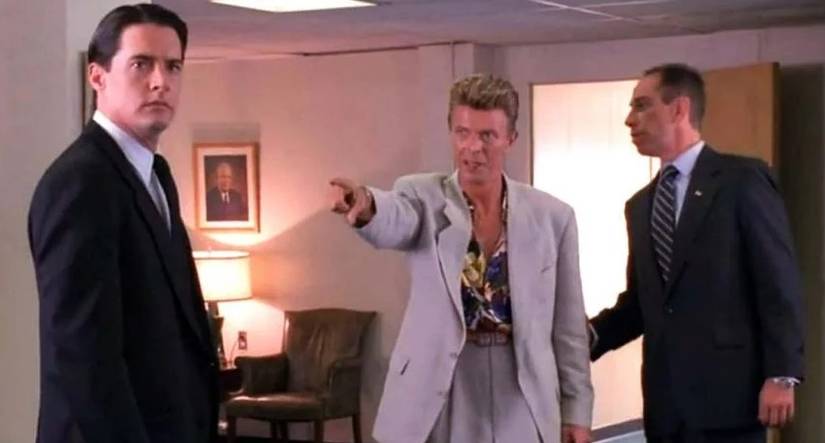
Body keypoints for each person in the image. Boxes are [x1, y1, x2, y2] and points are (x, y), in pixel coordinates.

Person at [329, 74, 593, 443]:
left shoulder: (553, 217)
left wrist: (576, 413)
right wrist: (367, 205)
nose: (473, 148)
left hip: (521, 385)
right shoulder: (422, 195)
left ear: (511, 139)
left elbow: (569, 328)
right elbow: (396, 218)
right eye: (463, 133)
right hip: (441, 383)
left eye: (487, 135)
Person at [28, 4, 219, 443]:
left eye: (173, 66)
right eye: (141, 64)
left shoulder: (156, 175)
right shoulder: (81, 182)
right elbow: (85, 356)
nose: (160, 81)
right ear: (98, 76)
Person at [589, 63, 804, 442]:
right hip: (666, 409)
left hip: (730, 403)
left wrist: (781, 374)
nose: (629, 119)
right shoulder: (640, 205)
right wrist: (582, 338)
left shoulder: (741, 181)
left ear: (679, 109)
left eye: (642, 105)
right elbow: (641, 304)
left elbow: (777, 283)